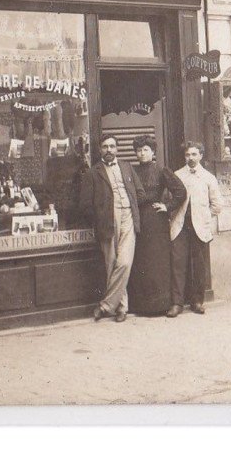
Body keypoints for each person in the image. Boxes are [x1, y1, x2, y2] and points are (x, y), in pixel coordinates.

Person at [79, 133, 146, 322]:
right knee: (112, 263)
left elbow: (139, 192)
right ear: (100, 149)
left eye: (112, 146)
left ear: (117, 149)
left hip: (128, 217)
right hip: (107, 220)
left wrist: (131, 204)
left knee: (124, 262)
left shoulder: (126, 167)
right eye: (105, 147)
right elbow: (85, 204)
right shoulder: (93, 172)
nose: (109, 150)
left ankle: (106, 305)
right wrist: (100, 215)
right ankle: (122, 308)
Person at [128, 135, 187, 316]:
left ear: (153, 152)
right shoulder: (131, 171)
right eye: (139, 150)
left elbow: (181, 192)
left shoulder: (162, 170)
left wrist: (167, 207)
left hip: (156, 220)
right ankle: (141, 305)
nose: (142, 153)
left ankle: (161, 304)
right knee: (141, 260)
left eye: (145, 150)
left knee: (157, 261)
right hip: (137, 218)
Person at [167, 141, 223, 317]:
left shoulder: (208, 178)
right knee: (178, 264)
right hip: (180, 225)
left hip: (200, 226)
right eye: (187, 155)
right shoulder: (177, 175)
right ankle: (177, 303)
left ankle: (197, 301)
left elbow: (217, 205)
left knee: (198, 265)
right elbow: (170, 199)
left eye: (194, 154)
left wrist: (204, 216)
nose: (190, 158)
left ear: (201, 156)